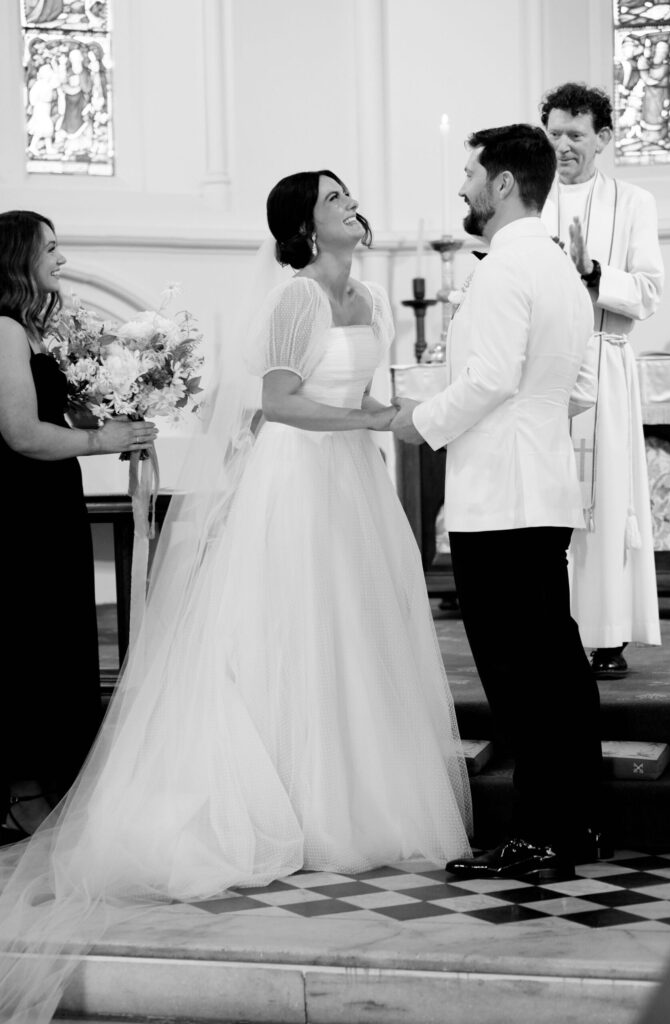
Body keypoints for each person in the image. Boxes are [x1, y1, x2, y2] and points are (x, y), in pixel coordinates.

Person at [0, 175, 472, 1022]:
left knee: (355, 634)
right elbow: (281, 404)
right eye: (334, 198)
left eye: (350, 194)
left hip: (353, 483)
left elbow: (359, 395)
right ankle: (282, 797)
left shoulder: (367, 294)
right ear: (303, 224)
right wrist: (370, 425)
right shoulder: (295, 297)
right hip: (295, 481)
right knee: (288, 628)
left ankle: (355, 796)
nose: (352, 205)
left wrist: (393, 416)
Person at [391, 124, 605, 882]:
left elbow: (485, 381)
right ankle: (576, 822)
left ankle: (539, 833)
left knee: (518, 676)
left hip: (497, 501)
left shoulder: (501, 272)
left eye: (470, 174)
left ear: (504, 183)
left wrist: (415, 424)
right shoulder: (560, 270)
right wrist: (530, 431)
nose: (462, 188)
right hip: (542, 489)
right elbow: (578, 389)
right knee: (557, 666)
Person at [0, 210, 158, 848]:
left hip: (48, 502)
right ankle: (21, 795)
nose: (61, 261)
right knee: (27, 647)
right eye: (51, 250)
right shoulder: (5, 328)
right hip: (16, 510)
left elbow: (59, 407)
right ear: (19, 259)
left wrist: (129, 400)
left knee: (58, 639)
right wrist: (103, 438)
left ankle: (49, 787)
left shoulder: (36, 332)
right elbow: (20, 432)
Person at [540, 82, 664, 680]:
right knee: (547, 498)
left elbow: (648, 290)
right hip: (543, 368)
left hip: (605, 358)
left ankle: (608, 635)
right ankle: (549, 628)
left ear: (604, 139)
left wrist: (592, 272)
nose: (562, 145)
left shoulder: (633, 201)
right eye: (555, 133)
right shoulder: (531, 200)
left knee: (605, 497)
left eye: (575, 135)